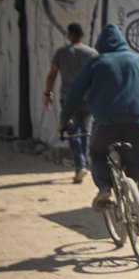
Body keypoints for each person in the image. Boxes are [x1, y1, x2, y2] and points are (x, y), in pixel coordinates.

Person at [59, 23, 139, 239]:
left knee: (97, 154)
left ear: (100, 45)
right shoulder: (138, 60)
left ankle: (105, 187)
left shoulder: (97, 62)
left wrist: (64, 118)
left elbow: (75, 93)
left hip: (107, 122)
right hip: (138, 123)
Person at [45, 22, 98, 183]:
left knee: (72, 131)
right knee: (85, 130)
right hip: (88, 99)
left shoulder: (62, 52)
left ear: (69, 35)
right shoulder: (92, 53)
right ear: (82, 36)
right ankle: (85, 163)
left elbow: (52, 74)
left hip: (68, 98)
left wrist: (48, 93)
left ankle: (80, 164)